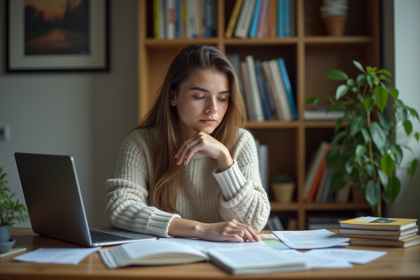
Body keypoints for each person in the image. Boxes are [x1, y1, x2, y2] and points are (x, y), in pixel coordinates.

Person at [106, 44, 270, 243]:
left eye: (222, 98)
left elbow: (253, 223)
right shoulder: (141, 143)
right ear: (173, 96)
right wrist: (200, 229)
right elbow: (120, 209)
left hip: (228, 258)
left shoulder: (241, 141)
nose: (213, 109)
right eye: (200, 96)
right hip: (168, 259)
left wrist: (224, 159)